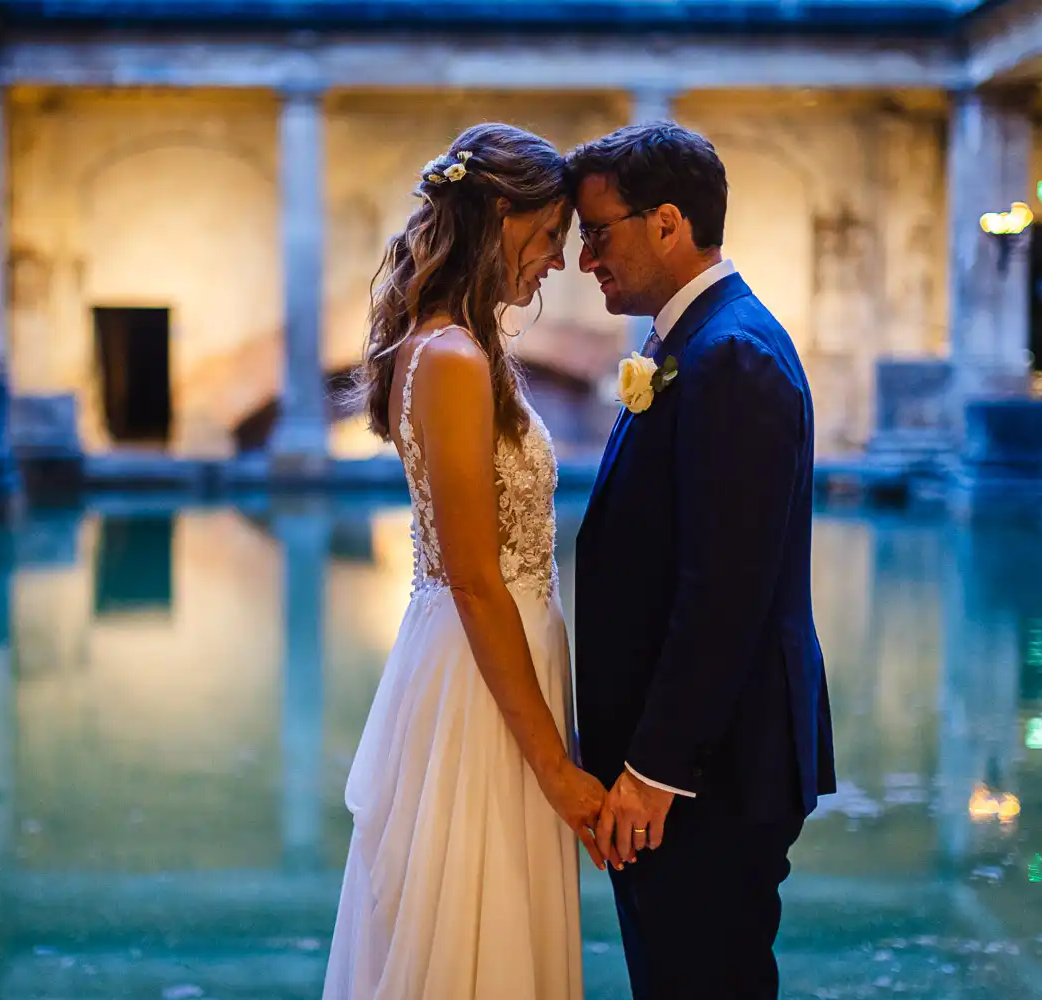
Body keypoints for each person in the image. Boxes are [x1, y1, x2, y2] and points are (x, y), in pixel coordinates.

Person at [322, 122, 604, 1000]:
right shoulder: (448, 358)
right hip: (483, 681)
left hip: (498, 664)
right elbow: (478, 582)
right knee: (475, 930)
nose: (556, 261)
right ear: (500, 215)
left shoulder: (462, 349)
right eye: (550, 232)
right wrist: (557, 771)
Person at [568, 120, 838, 1000]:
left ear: (668, 223)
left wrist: (654, 772)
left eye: (597, 233)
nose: (583, 260)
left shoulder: (733, 356)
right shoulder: (692, 341)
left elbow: (724, 589)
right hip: (686, 770)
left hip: (710, 776)